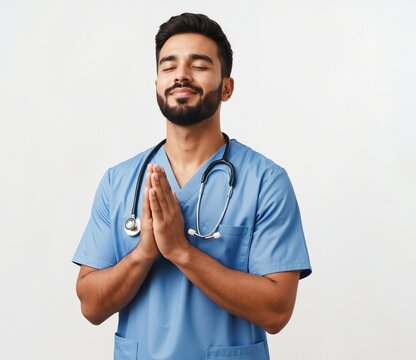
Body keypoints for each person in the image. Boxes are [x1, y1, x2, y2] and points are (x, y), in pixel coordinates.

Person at [73, 12, 311, 360]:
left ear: (226, 87)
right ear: (157, 84)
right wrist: (144, 253)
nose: (181, 74)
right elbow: (91, 305)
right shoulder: (119, 180)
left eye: (198, 65)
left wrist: (181, 251)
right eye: (169, 66)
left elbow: (277, 311)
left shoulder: (266, 181)